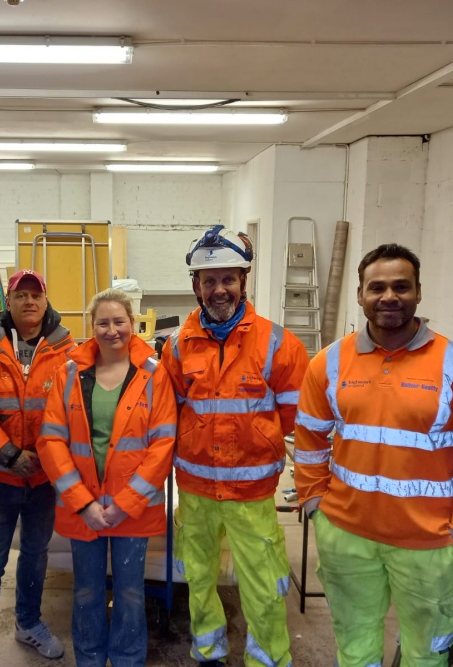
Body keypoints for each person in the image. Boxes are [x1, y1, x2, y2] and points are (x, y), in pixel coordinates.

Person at [294, 243, 453, 667]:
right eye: (377, 287)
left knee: (426, 653)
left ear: (418, 292)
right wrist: (315, 502)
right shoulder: (329, 363)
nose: (389, 297)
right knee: (355, 646)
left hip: (428, 543)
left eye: (400, 287)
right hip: (346, 536)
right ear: (360, 295)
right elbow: (310, 439)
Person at [160, 226, 309, 667]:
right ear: (196, 287)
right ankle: (208, 653)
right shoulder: (175, 346)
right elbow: (169, 415)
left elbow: (293, 419)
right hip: (195, 490)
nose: (219, 289)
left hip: (252, 494)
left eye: (228, 279)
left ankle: (267, 660)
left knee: (263, 584)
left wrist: (257, 446)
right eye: (209, 281)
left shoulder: (279, 343)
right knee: (200, 579)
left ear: (243, 281)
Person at [37, 289, 176, 667]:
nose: (111, 330)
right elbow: (51, 439)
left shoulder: (153, 374)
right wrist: (83, 503)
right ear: (91, 326)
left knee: (131, 592)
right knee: (86, 591)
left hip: (132, 510)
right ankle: (90, 659)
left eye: (119, 321)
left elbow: (163, 445)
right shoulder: (68, 372)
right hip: (85, 510)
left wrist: (124, 505)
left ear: (132, 323)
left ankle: (129, 660)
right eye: (103, 322)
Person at [0, 269, 75, 666]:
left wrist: (49, 456)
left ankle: (28, 622)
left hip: (44, 478)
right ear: (8, 301)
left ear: (46, 301)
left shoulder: (66, 351)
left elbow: (71, 410)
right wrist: (10, 454)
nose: (28, 301)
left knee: (35, 555)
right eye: (20, 294)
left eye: (35, 295)